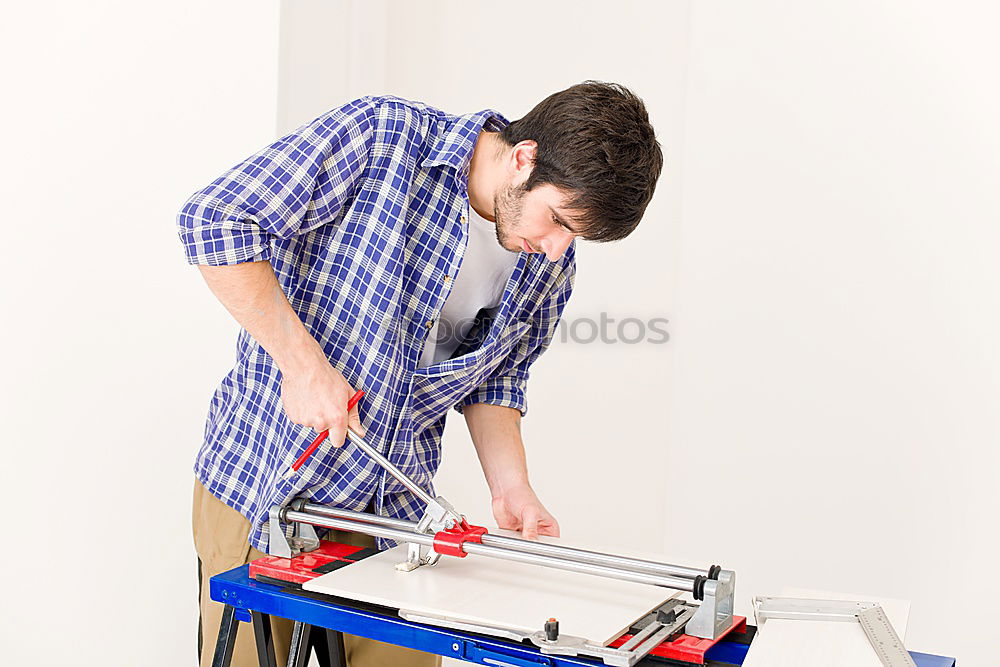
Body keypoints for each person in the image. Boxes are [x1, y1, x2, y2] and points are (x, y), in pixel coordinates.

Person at [178, 80, 662, 667]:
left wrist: (511, 488)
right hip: (265, 482)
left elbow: (497, 379)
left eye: (575, 236)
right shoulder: (381, 138)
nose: (558, 248)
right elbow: (215, 222)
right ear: (525, 157)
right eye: (557, 220)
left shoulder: (546, 264)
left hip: (392, 511)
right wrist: (302, 367)